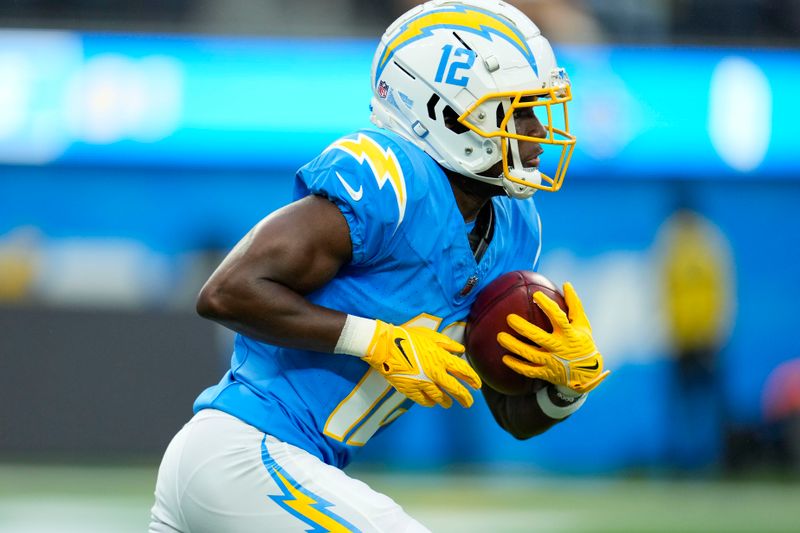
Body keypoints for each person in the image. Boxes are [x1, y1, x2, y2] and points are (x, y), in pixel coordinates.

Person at [149, 1, 610, 531]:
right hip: (243, 452)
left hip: (280, 468)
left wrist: (565, 387)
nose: (534, 132)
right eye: (517, 110)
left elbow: (511, 416)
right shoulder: (391, 183)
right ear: (447, 112)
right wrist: (374, 340)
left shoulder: (513, 229)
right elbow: (227, 292)